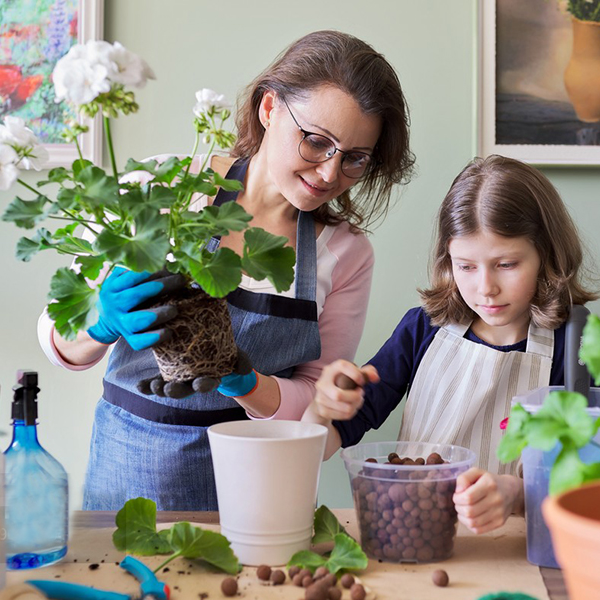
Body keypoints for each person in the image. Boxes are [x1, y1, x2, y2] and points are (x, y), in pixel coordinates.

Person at [37, 30, 415, 510]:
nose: (328, 174)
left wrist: (250, 384)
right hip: (127, 480)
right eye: (317, 142)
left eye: (354, 158)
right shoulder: (162, 189)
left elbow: (314, 410)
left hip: (258, 490)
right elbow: (55, 337)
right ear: (270, 108)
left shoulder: (347, 253)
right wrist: (100, 321)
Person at [303, 155, 600, 534]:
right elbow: (324, 444)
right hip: (412, 537)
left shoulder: (574, 348)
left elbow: (583, 480)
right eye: (466, 266)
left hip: (515, 545)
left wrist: (516, 494)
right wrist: (320, 409)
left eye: (507, 264)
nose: (485, 288)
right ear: (448, 258)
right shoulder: (422, 330)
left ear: (547, 255)